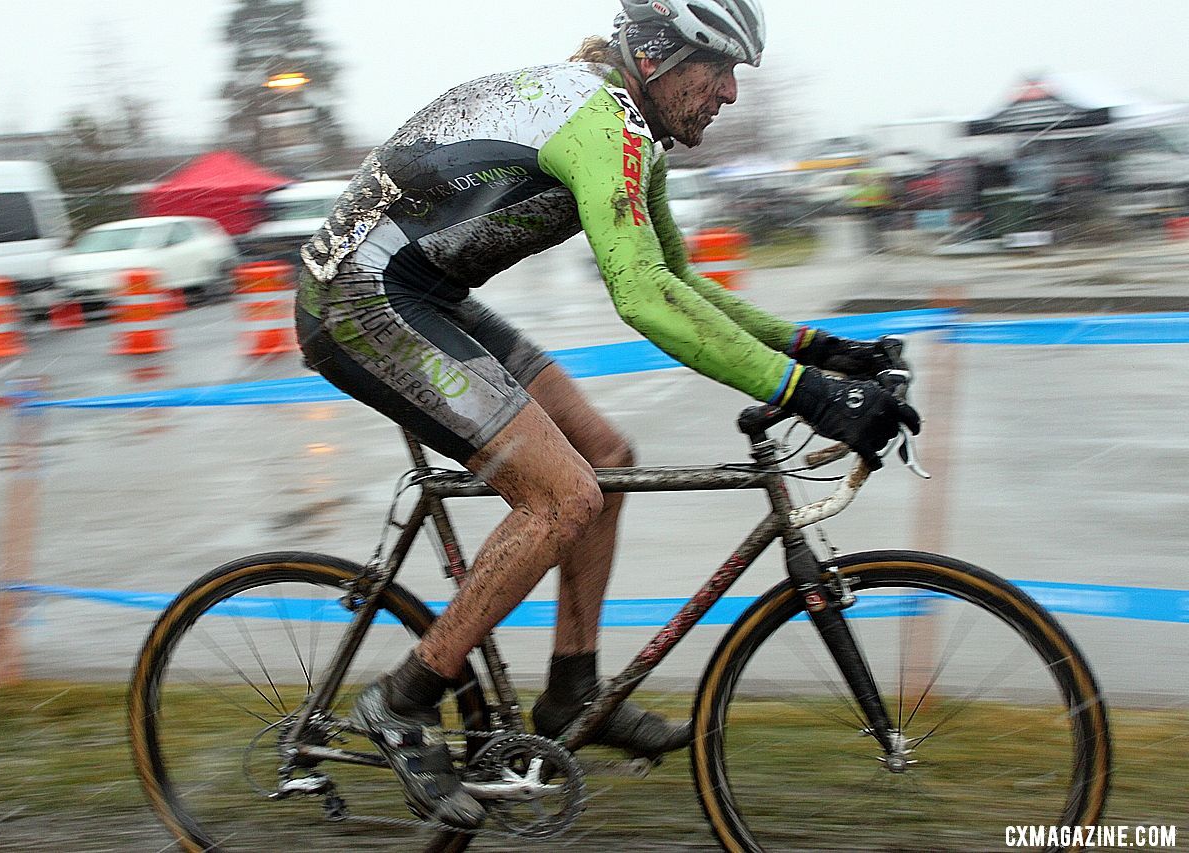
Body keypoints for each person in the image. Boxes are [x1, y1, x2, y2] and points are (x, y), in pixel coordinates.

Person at [296, 0, 920, 828]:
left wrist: (821, 351)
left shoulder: (633, 136)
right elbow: (642, 300)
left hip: (424, 293)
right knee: (563, 496)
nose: (731, 94)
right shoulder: (602, 120)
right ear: (661, 58)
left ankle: (570, 691)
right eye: (720, 69)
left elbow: (681, 284)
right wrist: (808, 397)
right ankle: (403, 701)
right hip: (360, 300)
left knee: (606, 454)